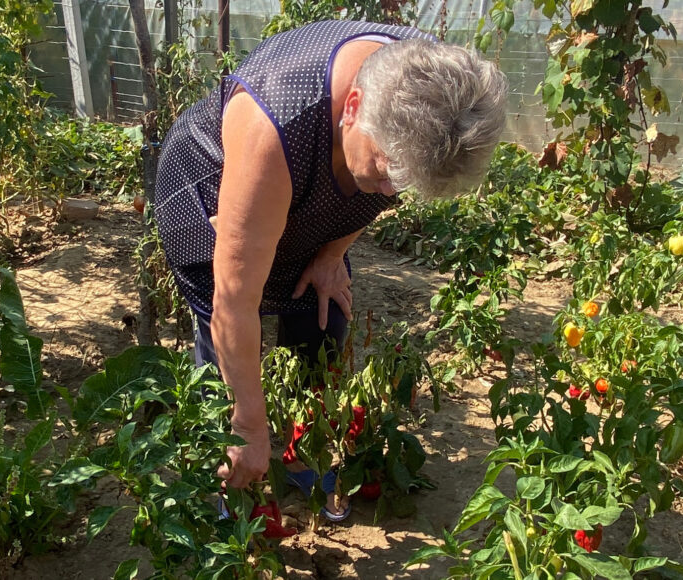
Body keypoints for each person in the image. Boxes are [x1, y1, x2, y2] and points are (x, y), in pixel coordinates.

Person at [151, 19, 507, 521]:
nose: (391, 192)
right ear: (354, 108)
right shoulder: (276, 123)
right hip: (210, 182)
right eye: (387, 172)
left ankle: (303, 455)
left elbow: (376, 192)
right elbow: (234, 304)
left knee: (323, 316)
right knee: (224, 346)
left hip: (314, 174)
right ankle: (224, 471)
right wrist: (250, 425)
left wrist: (331, 253)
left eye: (406, 182)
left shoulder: (437, 90)